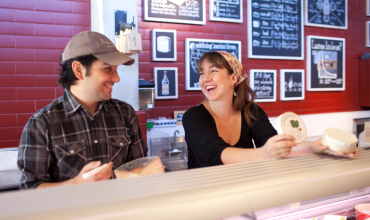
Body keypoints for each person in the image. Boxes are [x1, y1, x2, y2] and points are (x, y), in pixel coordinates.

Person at [183, 51, 359, 169]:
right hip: (205, 199)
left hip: (244, 194)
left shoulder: (252, 111)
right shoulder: (194, 117)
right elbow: (216, 153)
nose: (204, 78)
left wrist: (316, 147)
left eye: (212, 71)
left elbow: (273, 143)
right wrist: (263, 153)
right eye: (201, 73)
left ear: (233, 78)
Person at [17, 31, 148, 189]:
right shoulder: (42, 123)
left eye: (116, 69)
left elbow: (139, 169)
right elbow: (30, 190)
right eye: (107, 69)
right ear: (78, 70)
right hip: (71, 213)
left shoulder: (125, 113)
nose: (117, 78)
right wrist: (77, 184)